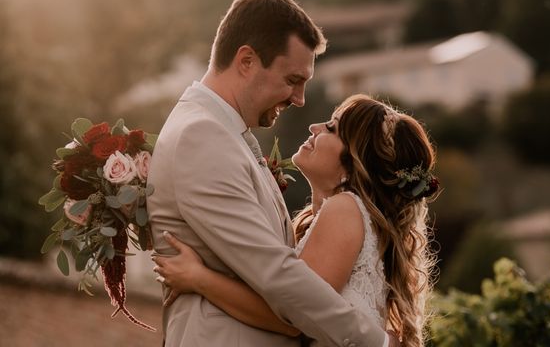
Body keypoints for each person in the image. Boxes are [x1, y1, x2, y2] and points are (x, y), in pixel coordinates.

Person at [146, 0, 398, 346]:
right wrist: (376, 343)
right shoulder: (201, 136)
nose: (300, 99)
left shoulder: (219, 131)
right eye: (293, 80)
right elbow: (276, 274)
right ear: (246, 61)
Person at [153, 94, 442, 347]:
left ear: (355, 163)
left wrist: (199, 279)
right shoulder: (342, 216)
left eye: (331, 128)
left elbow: (292, 317)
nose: (314, 128)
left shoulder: (345, 210)